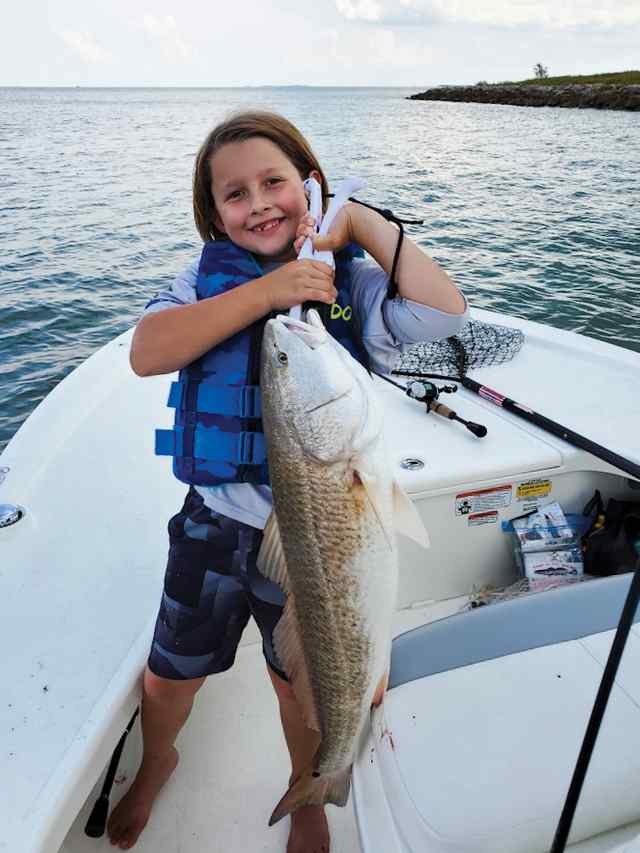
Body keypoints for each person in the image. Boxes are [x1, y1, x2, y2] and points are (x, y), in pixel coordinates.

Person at [107, 110, 468, 853]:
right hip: (214, 521)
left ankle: (311, 788)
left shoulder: (350, 288)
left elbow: (440, 313)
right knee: (169, 674)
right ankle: (157, 758)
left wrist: (360, 224)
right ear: (215, 215)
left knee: (294, 683)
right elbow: (147, 350)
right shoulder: (201, 284)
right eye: (235, 194)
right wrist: (267, 297)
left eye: (275, 181)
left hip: (316, 537)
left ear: (310, 185)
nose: (259, 202)